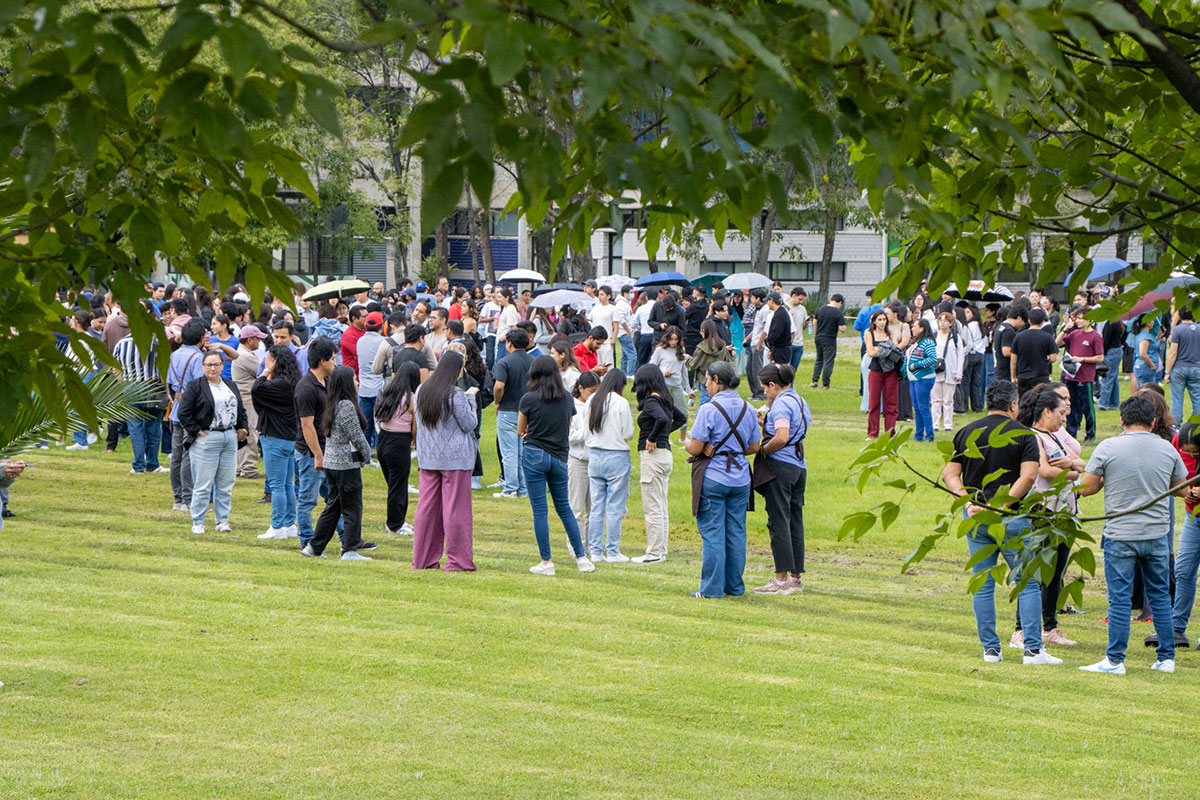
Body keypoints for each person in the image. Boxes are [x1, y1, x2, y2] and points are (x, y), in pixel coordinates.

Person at [942, 380, 1058, 665]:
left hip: (976, 518)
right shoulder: (1023, 434)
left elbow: (949, 474)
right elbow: (1029, 475)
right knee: (1027, 582)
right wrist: (1003, 504)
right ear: (1013, 405)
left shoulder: (967, 432)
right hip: (1012, 517)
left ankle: (990, 650)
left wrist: (969, 501)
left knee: (983, 583)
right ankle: (1032, 650)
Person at [1077, 395, 1188, 675]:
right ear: (1153, 421)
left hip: (1120, 534)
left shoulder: (1108, 447)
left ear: (1121, 420)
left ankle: (1115, 659)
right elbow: (1181, 488)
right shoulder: (1167, 449)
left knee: (1120, 598)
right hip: (1156, 533)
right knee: (1160, 596)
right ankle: (1166, 658)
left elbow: (1087, 488)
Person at [1008, 385, 1085, 650]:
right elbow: (1044, 470)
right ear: (1046, 411)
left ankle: (1050, 626)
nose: (1064, 419)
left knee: (1056, 573)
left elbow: (1082, 463)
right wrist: (1072, 471)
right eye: (1060, 414)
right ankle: (1021, 629)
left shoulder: (1056, 437)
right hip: (1044, 512)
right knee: (1034, 572)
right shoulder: (1033, 436)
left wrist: (1071, 466)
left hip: (1065, 512)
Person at [686, 362, 761, 598]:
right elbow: (754, 446)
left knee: (712, 533)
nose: (706, 385)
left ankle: (711, 589)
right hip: (740, 477)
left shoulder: (709, 409)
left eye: (707, 380)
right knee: (736, 532)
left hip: (714, 475)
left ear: (717, 380)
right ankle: (735, 587)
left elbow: (696, 446)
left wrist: (690, 445)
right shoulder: (747, 408)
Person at [519, 355, 597, 575]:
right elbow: (567, 425)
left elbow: (520, 429)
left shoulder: (529, 399)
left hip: (534, 452)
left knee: (540, 510)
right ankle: (582, 558)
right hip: (560, 456)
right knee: (565, 508)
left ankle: (546, 561)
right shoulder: (566, 399)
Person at [412, 351, 479, 571]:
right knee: (455, 510)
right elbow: (470, 424)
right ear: (456, 370)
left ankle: (423, 559)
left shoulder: (422, 390)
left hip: (429, 458)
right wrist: (471, 398)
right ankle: (458, 560)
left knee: (426, 509)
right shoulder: (456, 394)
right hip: (455, 459)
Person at [301, 366, 376, 560]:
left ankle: (314, 547)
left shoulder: (333, 404)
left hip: (333, 463)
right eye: (354, 379)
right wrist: (368, 455)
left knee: (333, 506)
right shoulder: (346, 406)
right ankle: (349, 549)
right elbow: (357, 436)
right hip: (345, 465)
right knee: (352, 506)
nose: (357, 382)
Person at [752, 363, 811, 595]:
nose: (764, 393)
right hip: (799, 467)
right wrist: (764, 422)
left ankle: (780, 580)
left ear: (773, 385)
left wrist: (763, 451)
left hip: (781, 467)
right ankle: (796, 579)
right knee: (795, 520)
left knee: (779, 522)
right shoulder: (799, 400)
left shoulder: (781, 404)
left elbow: (782, 437)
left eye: (765, 388)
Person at [178, 350, 249, 535]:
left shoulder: (230, 385)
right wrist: (196, 431)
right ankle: (198, 521)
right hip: (207, 438)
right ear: (203, 367)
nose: (212, 368)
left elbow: (240, 409)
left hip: (229, 437)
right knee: (203, 483)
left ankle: (222, 520)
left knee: (226, 483)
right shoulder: (195, 386)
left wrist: (243, 428)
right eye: (208, 365)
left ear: (222, 366)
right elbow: (183, 413)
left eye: (216, 364)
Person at [631, 364, 687, 565]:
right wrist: (664, 435)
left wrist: (653, 437)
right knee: (661, 505)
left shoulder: (651, 401)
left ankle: (654, 552)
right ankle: (660, 550)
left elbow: (662, 419)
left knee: (652, 506)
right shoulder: (664, 399)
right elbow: (680, 418)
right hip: (665, 455)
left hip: (652, 455)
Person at [584, 368, 635, 562]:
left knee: (597, 506)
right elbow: (628, 432)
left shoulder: (592, 400)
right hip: (616, 455)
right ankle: (612, 551)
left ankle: (595, 551)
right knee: (615, 506)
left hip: (595, 454)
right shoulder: (621, 403)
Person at [294, 337, 340, 549]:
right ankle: (306, 541)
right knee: (308, 499)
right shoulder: (306, 388)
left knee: (334, 499)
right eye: (333, 358)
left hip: (326, 449)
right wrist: (318, 455)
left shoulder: (327, 382)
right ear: (323, 361)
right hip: (311, 453)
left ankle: (347, 537)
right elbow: (306, 425)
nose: (335, 362)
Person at [166, 319, 209, 510]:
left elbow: (168, 381)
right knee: (188, 454)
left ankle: (178, 498)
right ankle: (188, 498)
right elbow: (201, 385)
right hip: (191, 409)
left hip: (176, 406)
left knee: (176, 455)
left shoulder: (175, 354)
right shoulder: (198, 358)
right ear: (201, 338)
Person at [375, 361, 420, 536]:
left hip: (384, 439)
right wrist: (413, 441)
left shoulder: (389, 393)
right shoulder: (412, 398)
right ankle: (395, 524)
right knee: (398, 486)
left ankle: (398, 520)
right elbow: (415, 426)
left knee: (394, 485)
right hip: (399, 441)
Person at [112, 327, 166, 474]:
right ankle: (152, 463)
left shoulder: (121, 343)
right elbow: (162, 367)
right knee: (153, 428)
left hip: (130, 387)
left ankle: (138, 466)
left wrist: (123, 383)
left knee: (135, 429)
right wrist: (165, 388)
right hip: (151, 386)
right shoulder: (155, 342)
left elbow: (114, 367)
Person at [1168, 423, 1200, 650]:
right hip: (1193, 516)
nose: (1189, 455)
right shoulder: (1177, 441)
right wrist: (1184, 492)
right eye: (1186, 451)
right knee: (1183, 570)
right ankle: (1176, 628)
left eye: (1195, 453)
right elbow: (1175, 477)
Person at [493, 328, 533, 499]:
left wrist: (496, 402)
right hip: (528, 411)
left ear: (509, 343)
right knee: (521, 452)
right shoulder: (534, 361)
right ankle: (522, 488)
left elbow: (499, 385)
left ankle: (510, 488)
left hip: (508, 410)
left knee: (509, 452)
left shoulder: (504, 362)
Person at [1057, 306, 1104, 441]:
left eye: (1080, 318)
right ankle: (1071, 433)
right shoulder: (1074, 334)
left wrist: (1082, 359)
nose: (1077, 321)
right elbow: (1058, 343)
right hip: (1070, 375)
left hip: (1085, 378)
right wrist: (1065, 329)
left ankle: (1090, 434)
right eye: (1076, 318)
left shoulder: (1095, 336)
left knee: (1087, 407)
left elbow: (1100, 357)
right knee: (1069, 406)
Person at [568, 372, 600, 547]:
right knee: (576, 507)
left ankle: (590, 545)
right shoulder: (572, 406)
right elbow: (570, 436)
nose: (594, 395)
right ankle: (576, 545)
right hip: (577, 460)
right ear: (580, 389)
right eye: (591, 391)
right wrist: (587, 431)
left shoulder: (595, 405)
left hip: (594, 460)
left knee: (593, 508)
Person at [232, 325, 267, 480]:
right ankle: (248, 468)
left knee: (242, 431)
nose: (259, 342)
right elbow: (264, 372)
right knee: (250, 432)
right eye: (257, 339)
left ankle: (241, 467)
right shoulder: (245, 356)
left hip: (242, 397)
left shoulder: (242, 353)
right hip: (247, 398)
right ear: (250, 340)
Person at [863, 309, 900, 439]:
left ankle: (890, 433)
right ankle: (872, 433)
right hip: (876, 371)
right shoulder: (869, 333)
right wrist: (885, 349)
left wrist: (879, 349)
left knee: (891, 403)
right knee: (874, 403)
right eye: (879, 320)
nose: (882, 322)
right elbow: (870, 352)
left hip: (891, 371)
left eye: (884, 319)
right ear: (874, 321)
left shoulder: (890, 334)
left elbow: (896, 350)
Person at [651, 327, 691, 443]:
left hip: (677, 385)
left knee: (684, 412)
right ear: (666, 338)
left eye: (676, 339)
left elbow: (684, 371)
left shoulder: (681, 350)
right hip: (664, 386)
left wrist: (688, 389)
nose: (673, 342)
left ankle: (682, 439)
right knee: (666, 412)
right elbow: (651, 367)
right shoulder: (660, 350)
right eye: (671, 339)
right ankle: (664, 437)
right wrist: (663, 372)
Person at [355, 311, 387, 450]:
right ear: (381, 326)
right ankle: (380, 451)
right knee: (379, 425)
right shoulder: (383, 341)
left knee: (366, 425)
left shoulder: (360, 341)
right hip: (378, 388)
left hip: (364, 389)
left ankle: (365, 452)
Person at [1010, 307, 1058, 395]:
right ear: (1043, 321)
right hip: (1041, 375)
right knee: (1040, 401)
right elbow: (1053, 358)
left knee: (1024, 402)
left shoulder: (1019, 336)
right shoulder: (1047, 337)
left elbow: (1013, 359)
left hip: (1023, 375)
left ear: (1029, 320)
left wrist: (1013, 376)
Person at [686, 319, 733, 406]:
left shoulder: (701, 348)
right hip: (721, 382)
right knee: (720, 407)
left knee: (704, 408)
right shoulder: (722, 345)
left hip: (706, 381)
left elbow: (692, 365)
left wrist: (687, 359)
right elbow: (727, 362)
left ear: (703, 331)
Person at [906, 319, 939, 441]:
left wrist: (917, 365)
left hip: (924, 378)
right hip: (913, 378)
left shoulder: (928, 342)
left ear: (921, 329)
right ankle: (918, 435)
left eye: (914, 326)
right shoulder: (916, 342)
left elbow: (932, 359)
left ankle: (929, 435)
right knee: (917, 407)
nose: (912, 329)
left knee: (923, 407)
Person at [931, 311, 964, 432]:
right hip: (936, 371)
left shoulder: (955, 338)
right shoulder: (934, 336)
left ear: (950, 323)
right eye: (940, 320)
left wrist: (959, 373)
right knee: (935, 400)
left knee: (948, 400)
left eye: (945, 321)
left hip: (951, 371)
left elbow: (960, 355)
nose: (942, 323)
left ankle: (948, 424)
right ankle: (935, 424)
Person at [1166, 308, 1200, 423]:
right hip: (1196, 367)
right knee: (1197, 399)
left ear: (1180, 315)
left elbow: (1173, 353)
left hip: (1179, 368)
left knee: (1177, 399)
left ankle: (1176, 426)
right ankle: (1196, 425)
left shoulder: (1178, 330)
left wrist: (1167, 372)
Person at [811, 294, 845, 389]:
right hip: (829, 339)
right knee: (828, 362)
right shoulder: (838, 313)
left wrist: (816, 333)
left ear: (831, 299)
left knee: (819, 360)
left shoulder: (821, 309)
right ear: (840, 302)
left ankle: (814, 381)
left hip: (818, 338)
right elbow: (842, 329)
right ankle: (825, 384)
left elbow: (814, 322)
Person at [958, 304, 986, 413]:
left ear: (973, 314)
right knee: (976, 383)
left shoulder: (970, 326)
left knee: (966, 382)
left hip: (971, 354)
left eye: (968, 312)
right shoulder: (980, 325)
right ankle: (977, 407)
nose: (966, 314)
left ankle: (964, 406)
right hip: (980, 354)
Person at [1098, 316, 1126, 410]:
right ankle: (1114, 403)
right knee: (1113, 378)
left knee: (1107, 377)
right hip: (1117, 350)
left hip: (1111, 351)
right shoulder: (1119, 322)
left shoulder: (1110, 323)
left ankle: (1103, 404)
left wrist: (1102, 353)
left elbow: (1106, 340)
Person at [760, 291, 794, 366]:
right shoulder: (781, 312)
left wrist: (767, 342)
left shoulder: (780, 315)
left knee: (779, 374)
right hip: (779, 351)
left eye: (768, 301)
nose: (767, 303)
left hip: (781, 352)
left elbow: (775, 334)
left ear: (771, 301)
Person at [787, 288, 808, 370]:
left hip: (799, 344)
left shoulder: (802, 309)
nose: (801, 301)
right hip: (788, 343)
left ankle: (791, 383)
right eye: (799, 299)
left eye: (802, 300)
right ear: (793, 296)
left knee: (793, 370)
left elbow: (803, 327)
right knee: (785, 369)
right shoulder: (785, 307)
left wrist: (806, 324)